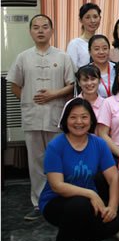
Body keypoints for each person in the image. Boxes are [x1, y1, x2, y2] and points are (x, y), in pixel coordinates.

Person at [7, 14, 75, 221]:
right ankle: (38, 204)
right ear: (30, 32)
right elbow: (14, 85)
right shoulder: (23, 57)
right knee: (35, 162)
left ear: (52, 31)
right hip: (33, 117)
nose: (40, 30)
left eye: (45, 27)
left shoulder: (63, 57)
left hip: (56, 116)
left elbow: (72, 85)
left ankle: (59, 199)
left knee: (58, 160)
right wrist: (29, 100)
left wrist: (53, 94)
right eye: (36, 27)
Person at [39, 98, 119, 241]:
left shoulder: (99, 144)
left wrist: (112, 207)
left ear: (91, 120)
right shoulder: (56, 146)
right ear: (66, 120)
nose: (79, 122)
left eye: (84, 117)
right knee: (80, 205)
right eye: (73, 117)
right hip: (56, 202)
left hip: (88, 204)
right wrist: (91, 194)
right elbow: (57, 186)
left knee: (114, 222)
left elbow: (113, 178)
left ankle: (84, 238)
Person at [67, 3, 101, 68]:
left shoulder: (101, 41)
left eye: (95, 17)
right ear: (81, 20)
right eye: (87, 17)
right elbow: (71, 70)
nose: (92, 21)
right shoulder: (75, 44)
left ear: (100, 18)